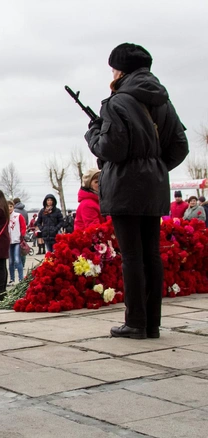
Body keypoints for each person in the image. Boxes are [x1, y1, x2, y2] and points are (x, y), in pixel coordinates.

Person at [85, 42, 188, 339]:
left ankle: (135, 322)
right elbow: (180, 147)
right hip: (154, 185)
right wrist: (154, 168)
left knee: (131, 256)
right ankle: (152, 323)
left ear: (120, 69)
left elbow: (112, 149)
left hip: (126, 187)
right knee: (151, 255)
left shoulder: (117, 102)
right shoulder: (163, 101)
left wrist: (93, 134)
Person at [7, 200, 26, 285]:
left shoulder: (18, 216)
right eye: (7, 207)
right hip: (9, 241)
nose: (9, 208)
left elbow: (23, 226)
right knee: (11, 261)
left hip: (17, 240)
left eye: (11, 206)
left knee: (17, 260)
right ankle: (12, 279)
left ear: (13, 207)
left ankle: (21, 278)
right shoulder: (5, 217)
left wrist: (22, 235)